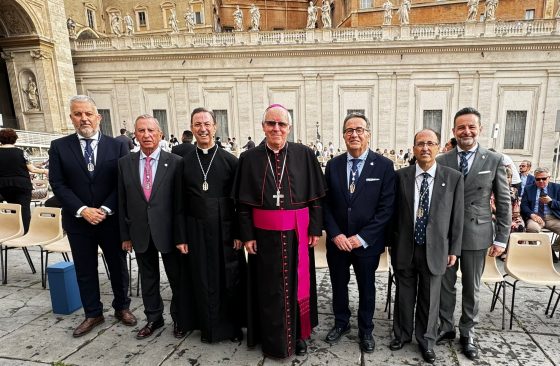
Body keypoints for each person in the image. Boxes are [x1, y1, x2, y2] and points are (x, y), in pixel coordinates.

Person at [233, 104, 326, 358]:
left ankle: (298, 335)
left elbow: (315, 197)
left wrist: (315, 227)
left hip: (297, 235)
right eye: (271, 124)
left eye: (281, 124)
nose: (276, 129)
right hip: (262, 239)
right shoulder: (249, 158)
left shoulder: (304, 154)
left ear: (289, 127)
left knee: (297, 285)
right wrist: (247, 235)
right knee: (267, 288)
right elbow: (242, 204)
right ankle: (268, 336)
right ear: (263, 126)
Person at [49, 95, 136, 337]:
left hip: (109, 220)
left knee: (118, 267)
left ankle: (122, 307)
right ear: (71, 118)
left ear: (98, 117)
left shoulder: (117, 145)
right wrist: (82, 210)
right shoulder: (59, 146)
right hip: (78, 221)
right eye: (78, 114)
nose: (83, 118)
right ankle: (93, 313)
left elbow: (122, 182)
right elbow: (58, 183)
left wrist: (105, 209)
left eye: (88, 114)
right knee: (85, 269)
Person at [436, 107, 510, 360]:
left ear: (479, 129)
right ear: (454, 131)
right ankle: (445, 327)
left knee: (472, 287)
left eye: (471, 127)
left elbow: (503, 202)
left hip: (477, 232)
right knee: (445, 285)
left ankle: (468, 332)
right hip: (446, 236)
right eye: (461, 127)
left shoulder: (493, 159)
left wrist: (502, 238)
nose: (466, 131)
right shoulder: (442, 160)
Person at [389, 129, 463, 364]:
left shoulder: (453, 177)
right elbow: (392, 214)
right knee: (404, 294)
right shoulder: (400, 176)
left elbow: (457, 217)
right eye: (420, 143)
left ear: (439, 147)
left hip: (437, 248)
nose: (425, 148)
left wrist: (454, 249)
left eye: (430, 143)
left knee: (430, 298)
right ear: (413, 148)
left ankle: (426, 340)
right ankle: (401, 334)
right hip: (405, 247)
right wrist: (391, 243)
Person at [323, 112, 395, 354]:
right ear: (344, 136)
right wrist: (335, 234)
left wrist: (362, 237)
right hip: (338, 243)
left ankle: (366, 329)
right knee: (338, 285)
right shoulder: (333, 165)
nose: (354, 134)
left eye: (359, 130)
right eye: (349, 130)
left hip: (367, 244)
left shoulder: (384, 166)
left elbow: (386, 209)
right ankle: (341, 322)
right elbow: (326, 205)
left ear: (368, 134)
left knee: (367, 287)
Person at [176, 107, 247, 343]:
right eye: (198, 124)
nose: (203, 129)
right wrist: (181, 236)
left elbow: (240, 203)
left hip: (226, 231)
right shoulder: (183, 162)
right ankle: (204, 325)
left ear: (215, 127)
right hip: (195, 231)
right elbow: (179, 203)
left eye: (207, 124)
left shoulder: (230, 161)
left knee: (229, 279)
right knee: (200, 278)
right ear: (192, 128)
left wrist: (239, 232)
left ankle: (232, 327)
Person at [118, 115, 186, 339]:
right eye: (141, 131)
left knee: (176, 279)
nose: (146, 135)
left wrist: (181, 235)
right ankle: (153, 319)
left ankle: (179, 319)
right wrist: (125, 235)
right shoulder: (125, 163)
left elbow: (180, 204)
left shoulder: (176, 162)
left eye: (150, 130)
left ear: (160, 134)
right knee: (148, 279)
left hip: (168, 233)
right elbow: (122, 201)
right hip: (140, 232)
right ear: (134, 135)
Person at [0, 128, 48, 233]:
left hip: (3, 185)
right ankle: (26, 232)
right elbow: (32, 169)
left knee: (13, 208)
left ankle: (15, 230)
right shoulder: (22, 152)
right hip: (22, 185)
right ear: (15, 139)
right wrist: (45, 171)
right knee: (24, 209)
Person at [520, 167, 560, 262]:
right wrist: (531, 214)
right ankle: (535, 253)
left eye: (544, 178)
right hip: (535, 216)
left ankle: (553, 248)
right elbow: (524, 205)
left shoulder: (557, 188)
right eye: (538, 179)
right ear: (535, 179)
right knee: (532, 228)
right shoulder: (529, 188)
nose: (541, 181)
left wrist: (551, 202)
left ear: (549, 177)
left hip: (552, 217)